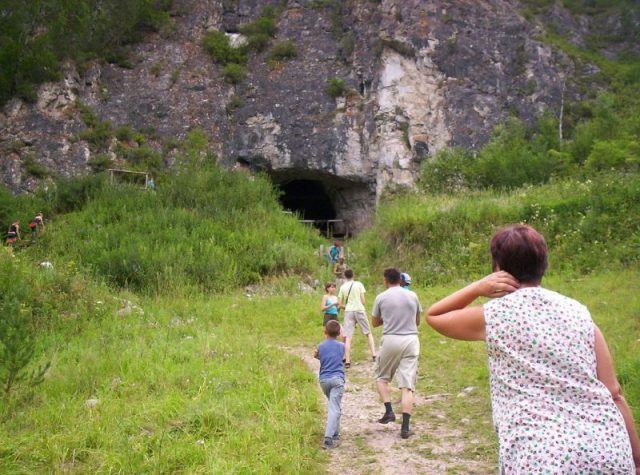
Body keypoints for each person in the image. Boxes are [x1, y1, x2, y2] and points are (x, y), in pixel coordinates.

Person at [426, 224, 640, 473]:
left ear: (498, 268)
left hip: (540, 456)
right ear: (544, 265)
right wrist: (636, 458)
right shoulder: (579, 312)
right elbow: (614, 392)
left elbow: (435, 315)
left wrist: (478, 287)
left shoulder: (494, 315)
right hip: (608, 449)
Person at [371, 267, 423, 439]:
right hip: (411, 340)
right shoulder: (413, 296)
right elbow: (417, 321)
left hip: (391, 339)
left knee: (381, 377)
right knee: (407, 386)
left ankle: (389, 411)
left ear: (386, 280)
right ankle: (405, 428)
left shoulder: (381, 297)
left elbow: (375, 323)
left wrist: (389, 317)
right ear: (401, 280)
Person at [313, 320, 345, 450]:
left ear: (325, 332)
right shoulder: (342, 346)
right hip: (337, 380)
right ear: (338, 333)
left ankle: (335, 432)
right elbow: (345, 359)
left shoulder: (320, 346)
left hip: (324, 381)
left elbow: (317, 356)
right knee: (334, 407)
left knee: (333, 406)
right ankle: (328, 438)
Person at [338, 269, 376, 367]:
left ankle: (347, 361)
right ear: (353, 275)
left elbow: (339, 304)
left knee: (348, 337)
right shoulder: (359, 284)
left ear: (344, 276)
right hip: (359, 310)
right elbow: (363, 301)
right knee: (368, 333)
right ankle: (374, 355)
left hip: (349, 311)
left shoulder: (342, 287)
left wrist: (348, 307)